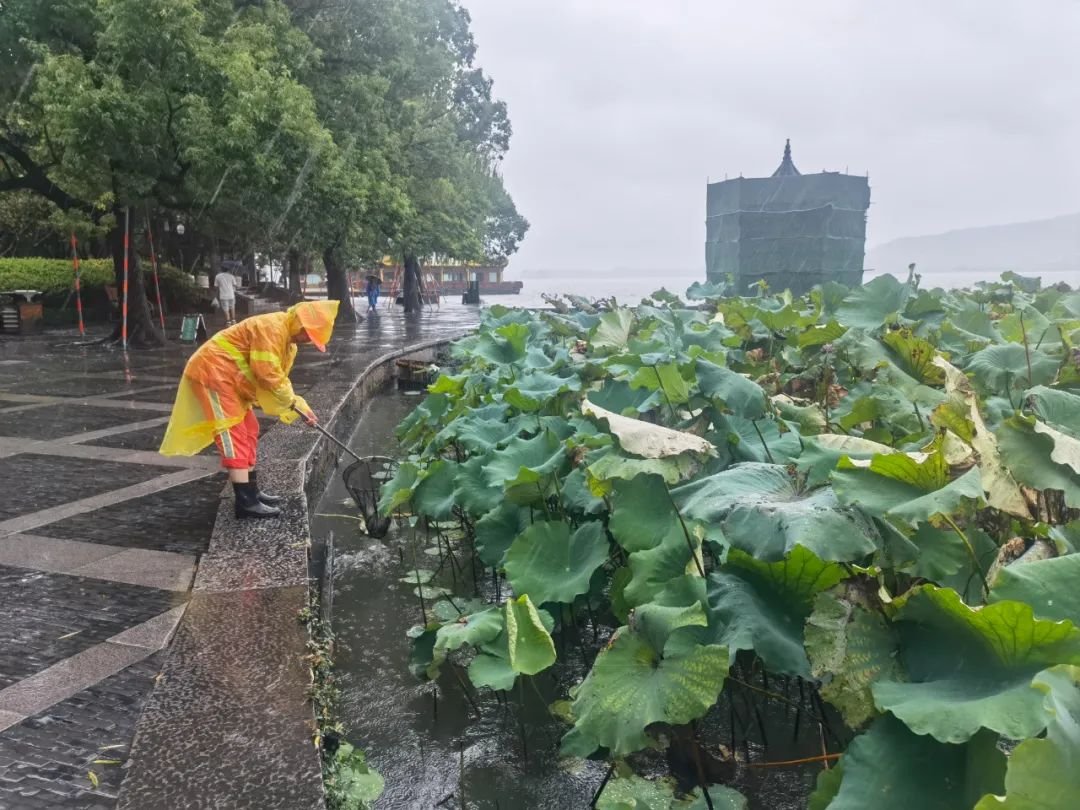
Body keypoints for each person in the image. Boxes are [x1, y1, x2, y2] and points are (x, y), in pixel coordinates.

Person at [159, 300, 340, 518]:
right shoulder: (272, 328)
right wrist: (295, 405)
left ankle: (252, 490)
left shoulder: (288, 342)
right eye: (308, 335)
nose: (308, 341)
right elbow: (268, 375)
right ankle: (245, 502)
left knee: (249, 428)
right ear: (299, 324)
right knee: (232, 433)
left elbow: (278, 381)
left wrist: (301, 408)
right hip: (214, 374)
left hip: (231, 378)